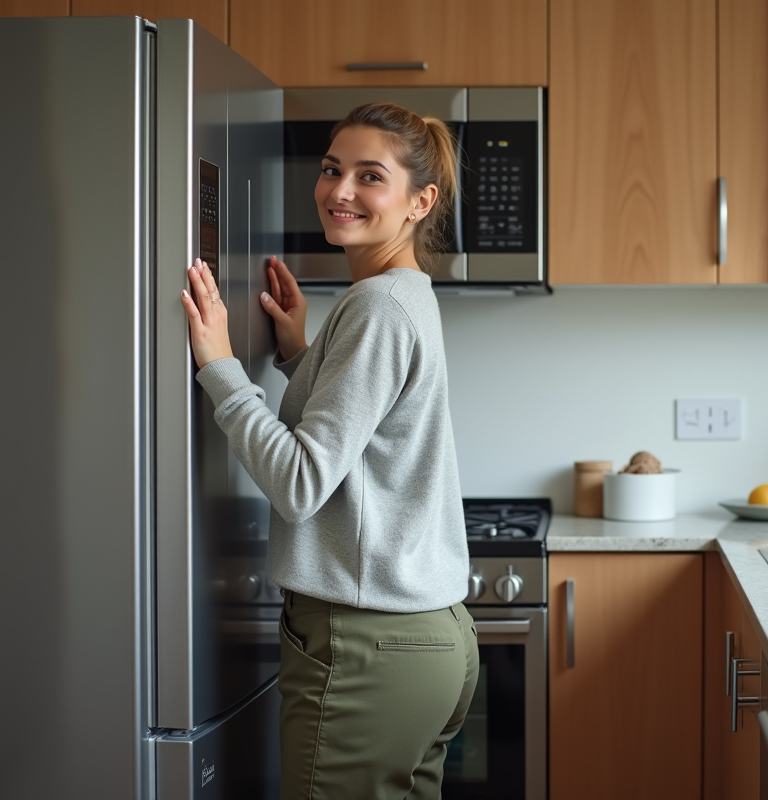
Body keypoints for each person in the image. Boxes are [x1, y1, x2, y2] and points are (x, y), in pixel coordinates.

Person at [179, 102, 477, 800]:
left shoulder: (377, 307)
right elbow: (370, 436)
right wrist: (299, 358)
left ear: (419, 201)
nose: (340, 191)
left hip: (369, 646)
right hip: (423, 641)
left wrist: (220, 367)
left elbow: (302, 483)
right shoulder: (397, 296)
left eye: (370, 176)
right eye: (332, 169)